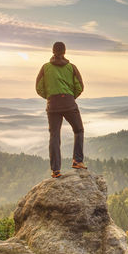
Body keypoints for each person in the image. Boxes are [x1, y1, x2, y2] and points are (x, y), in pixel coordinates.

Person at [36, 41, 87, 178]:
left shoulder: (45, 67)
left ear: (52, 51)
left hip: (52, 105)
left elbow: (39, 87)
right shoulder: (71, 67)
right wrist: (70, 97)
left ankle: (55, 170)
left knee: (54, 136)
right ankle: (77, 161)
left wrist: (50, 97)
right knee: (79, 130)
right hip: (69, 103)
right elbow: (80, 86)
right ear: (64, 51)